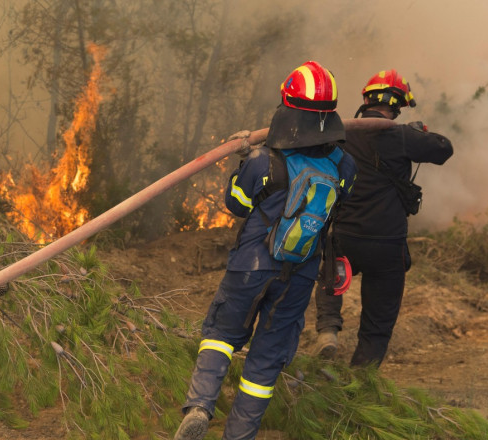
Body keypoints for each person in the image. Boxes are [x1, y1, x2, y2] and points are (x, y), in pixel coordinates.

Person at [173, 61, 357, 440]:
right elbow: (341, 205)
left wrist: (245, 159)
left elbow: (236, 204)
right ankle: (239, 436)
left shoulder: (262, 161)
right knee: (267, 357)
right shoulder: (345, 164)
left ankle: (199, 406)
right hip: (301, 274)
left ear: (287, 108)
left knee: (221, 334)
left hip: (251, 265)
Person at [313, 69, 454, 367]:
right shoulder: (400, 136)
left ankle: (327, 331)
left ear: (366, 98)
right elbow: (444, 149)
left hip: (346, 236)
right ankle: (360, 384)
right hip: (387, 244)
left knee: (329, 279)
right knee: (378, 322)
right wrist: (418, 134)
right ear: (398, 105)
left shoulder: (341, 132)